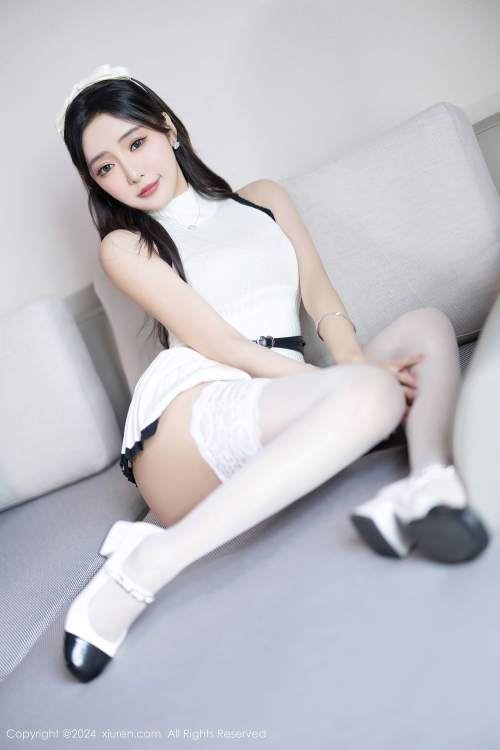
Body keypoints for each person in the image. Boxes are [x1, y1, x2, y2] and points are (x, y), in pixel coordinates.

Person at [56, 64, 489, 682]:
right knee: (368, 392)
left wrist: (354, 364)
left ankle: (428, 486)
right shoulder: (125, 245)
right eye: (105, 167)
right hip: (192, 412)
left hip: (283, 395)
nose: (130, 173)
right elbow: (222, 345)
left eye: (136, 142)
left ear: (168, 128)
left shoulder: (263, 198)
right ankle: (147, 564)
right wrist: (342, 384)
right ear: (95, 182)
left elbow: (320, 295)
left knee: (426, 325)